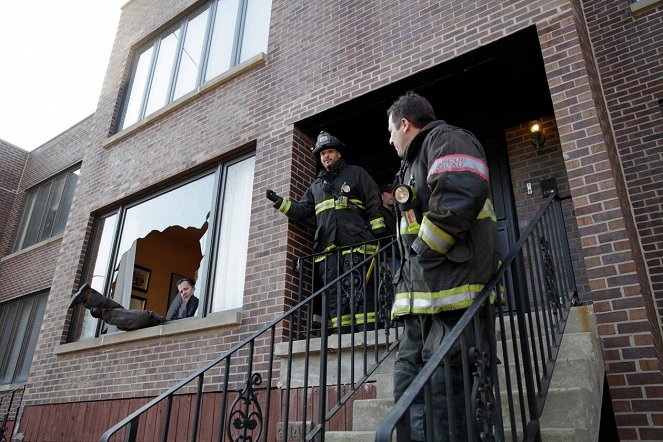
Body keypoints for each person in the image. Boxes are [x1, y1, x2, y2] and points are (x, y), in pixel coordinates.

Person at [386, 92, 499, 440]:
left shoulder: (447, 139)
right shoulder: (412, 163)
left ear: (405, 124)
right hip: (423, 300)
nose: (389, 139)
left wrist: (423, 251)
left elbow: (458, 195)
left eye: (390, 130)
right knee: (408, 380)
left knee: (445, 388)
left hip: (455, 293)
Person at [266, 131, 386, 331]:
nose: (326, 156)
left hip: (358, 245)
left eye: (329, 151)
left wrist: (379, 233)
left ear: (338, 153)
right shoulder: (316, 186)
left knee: (362, 291)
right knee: (334, 295)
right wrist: (279, 202)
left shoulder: (356, 174)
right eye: (322, 154)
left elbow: (374, 203)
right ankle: (342, 335)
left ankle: (368, 334)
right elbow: (302, 211)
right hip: (327, 251)